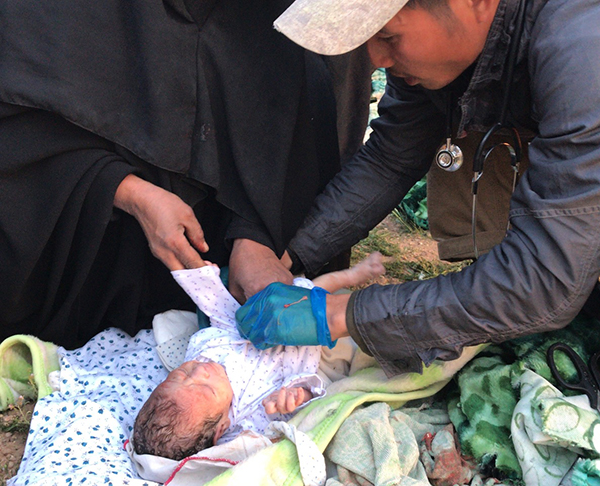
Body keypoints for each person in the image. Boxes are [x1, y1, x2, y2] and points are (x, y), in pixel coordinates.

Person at [236, 0, 600, 377]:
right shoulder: (445, 62)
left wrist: (338, 314)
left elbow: (543, 281)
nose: (375, 58)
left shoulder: (583, 51)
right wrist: (287, 254)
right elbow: (391, 158)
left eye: (388, 35)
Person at [0, 0, 376, 349]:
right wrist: (130, 192)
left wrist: (256, 235)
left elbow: (291, 125)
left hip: (218, 286)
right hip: (82, 271)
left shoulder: (276, 14)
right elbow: (17, 128)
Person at [132, 253, 385, 461]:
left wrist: (201, 278)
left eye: (181, 374)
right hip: (309, 351)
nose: (200, 371)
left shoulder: (203, 353)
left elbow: (221, 314)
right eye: (207, 388)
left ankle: (352, 275)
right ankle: (378, 308)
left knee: (307, 293)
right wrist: (295, 396)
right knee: (351, 343)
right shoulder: (249, 420)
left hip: (280, 316)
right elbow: (295, 408)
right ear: (220, 428)